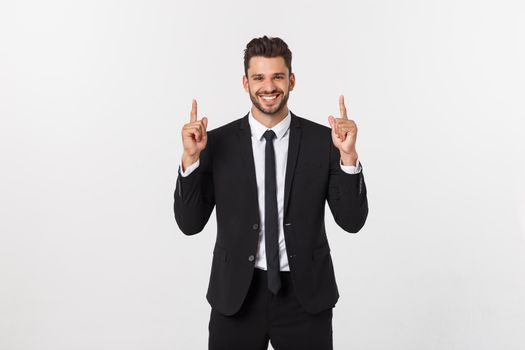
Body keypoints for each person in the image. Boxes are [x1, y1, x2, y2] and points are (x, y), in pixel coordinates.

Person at [174, 36, 368, 350]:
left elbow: (352, 221)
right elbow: (189, 223)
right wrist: (191, 160)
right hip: (236, 296)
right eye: (259, 77)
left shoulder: (324, 142)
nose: (269, 86)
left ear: (291, 80)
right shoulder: (215, 143)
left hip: (305, 297)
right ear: (245, 82)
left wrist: (347, 156)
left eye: (278, 76)